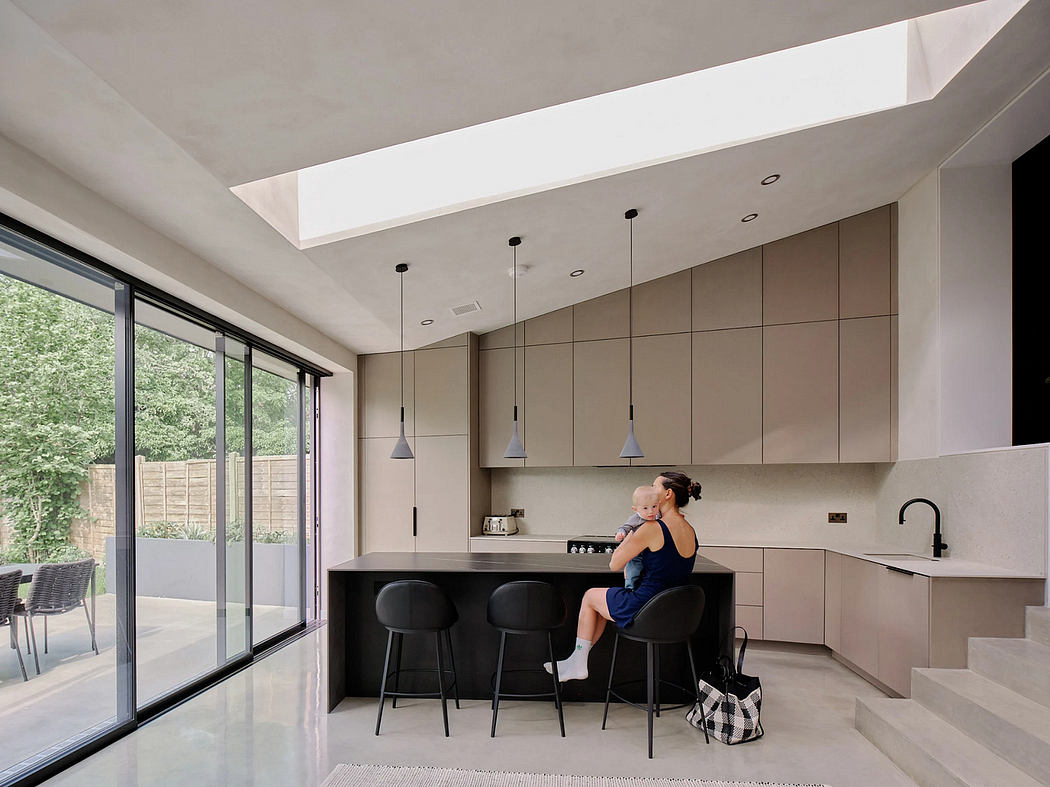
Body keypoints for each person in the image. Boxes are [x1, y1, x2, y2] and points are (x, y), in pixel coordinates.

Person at [545, 471, 703, 681]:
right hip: (673, 614)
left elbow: (614, 564)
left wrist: (632, 532)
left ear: (668, 494)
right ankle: (576, 661)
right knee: (602, 604)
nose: (650, 489)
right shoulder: (690, 530)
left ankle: (578, 664)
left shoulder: (652, 528)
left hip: (645, 608)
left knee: (590, 597)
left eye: (655, 486)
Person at [615, 486, 663, 589]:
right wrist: (621, 533)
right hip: (637, 553)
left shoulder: (659, 515)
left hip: (652, 552)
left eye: (654, 506)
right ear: (635, 509)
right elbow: (625, 527)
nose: (650, 511)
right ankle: (630, 589)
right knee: (633, 573)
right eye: (645, 508)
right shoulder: (636, 519)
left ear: (659, 504)